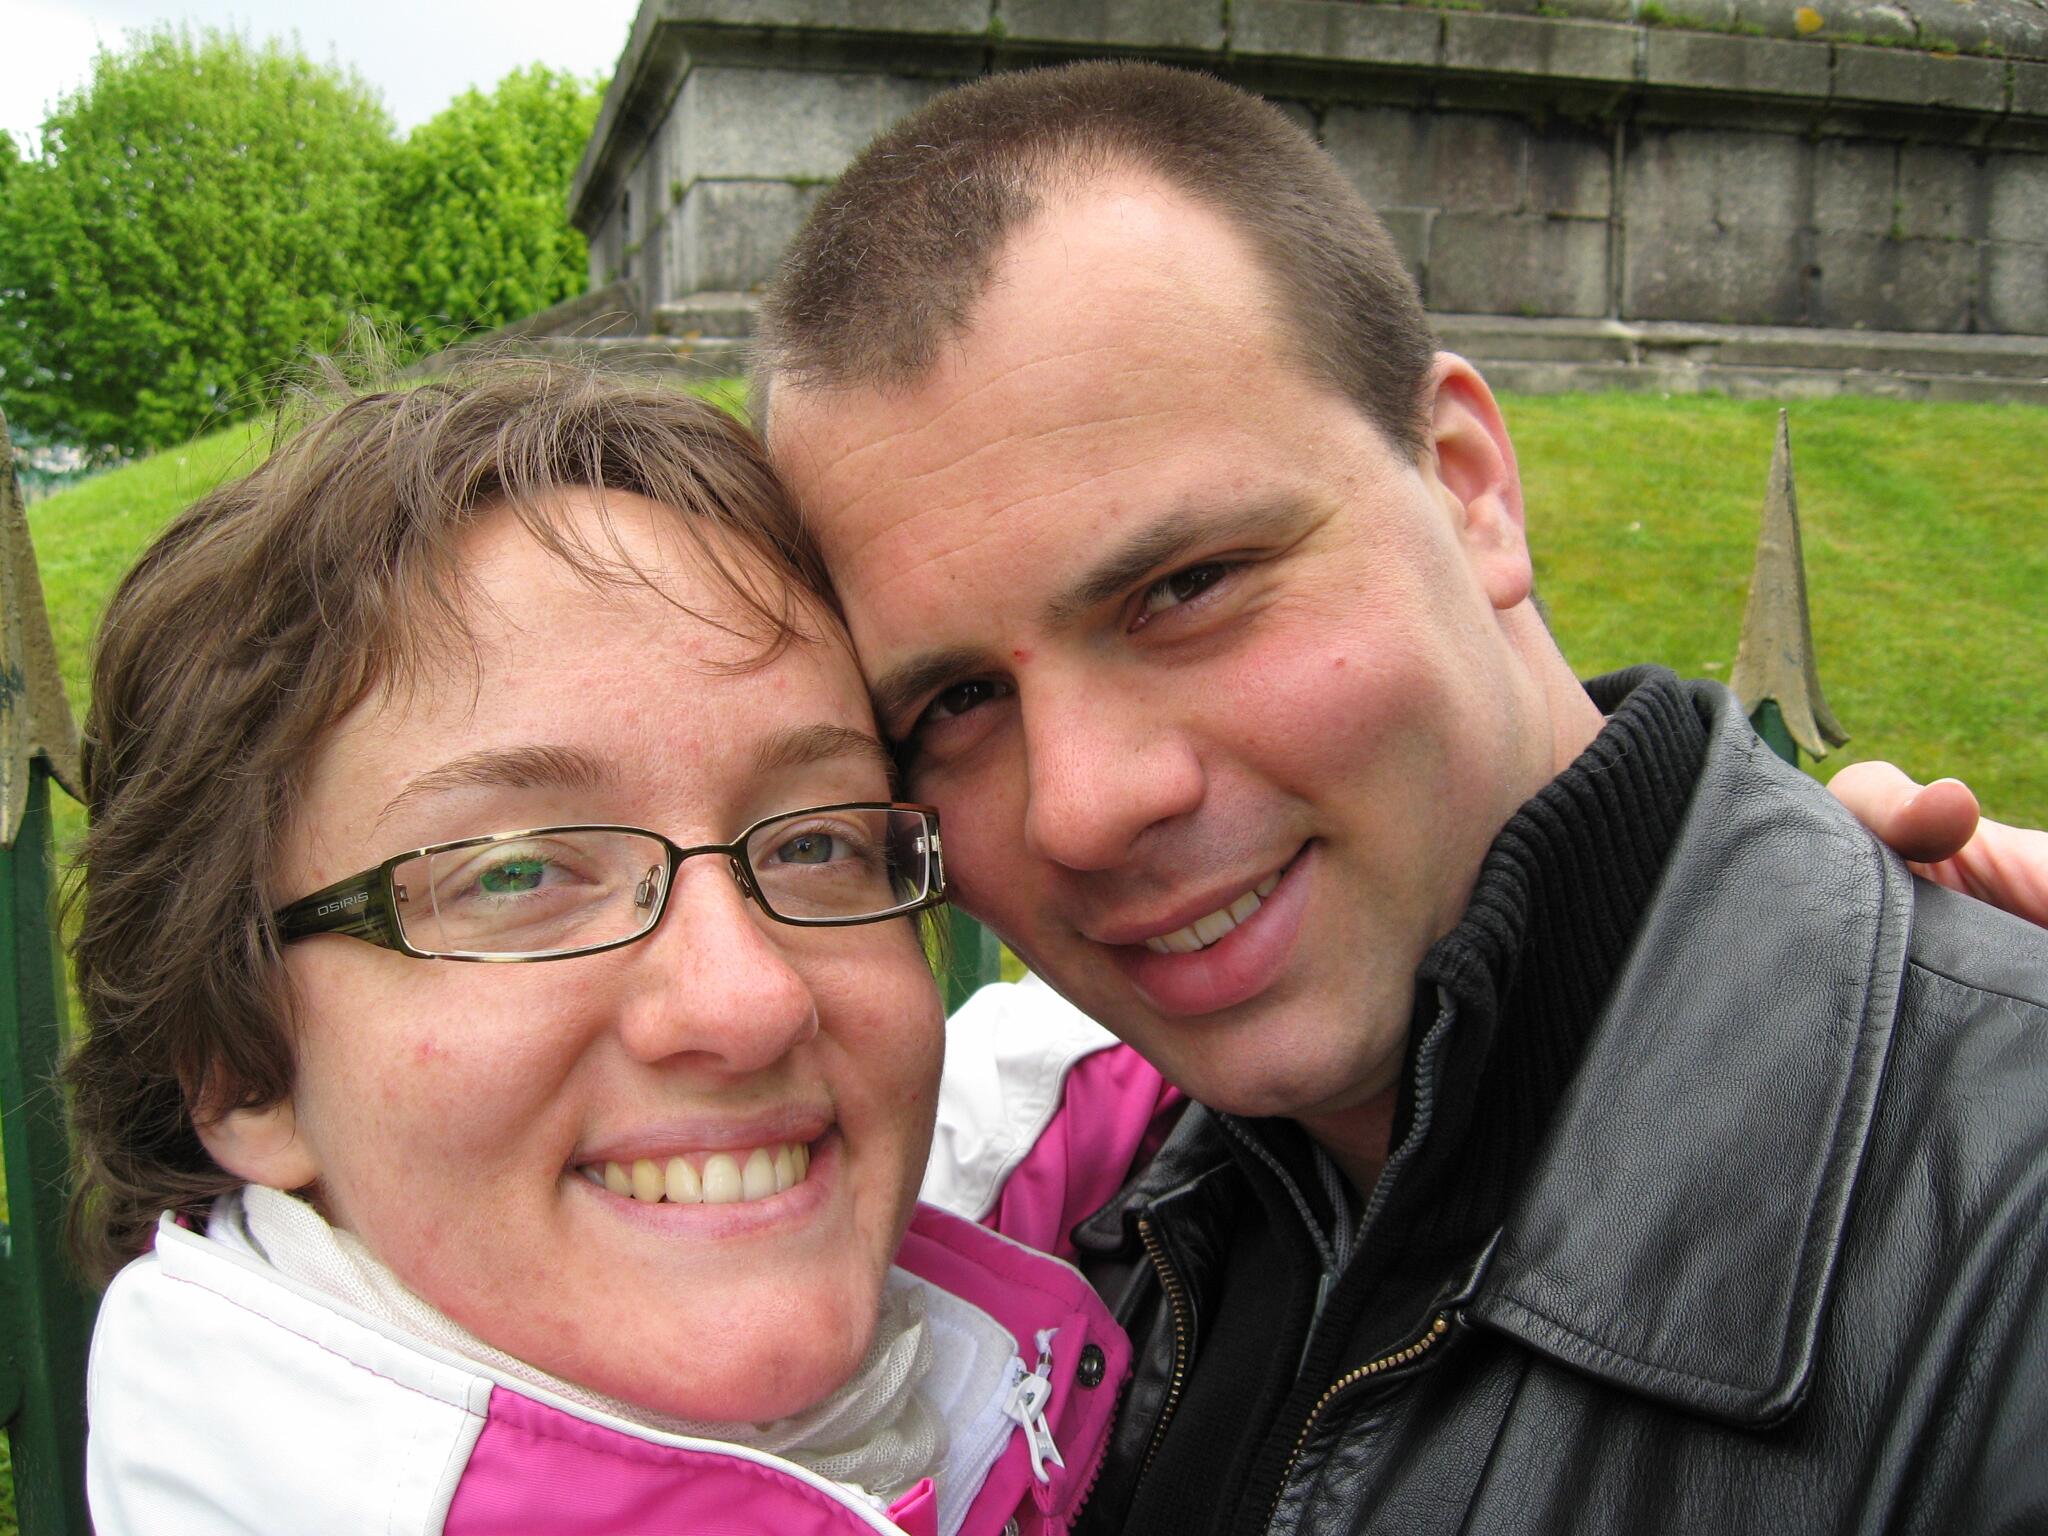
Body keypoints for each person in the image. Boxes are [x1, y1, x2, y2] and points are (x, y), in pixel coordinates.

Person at [755, 61, 2048, 1534]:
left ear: (1466, 483)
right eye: (954, 703)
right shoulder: (1060, 1257)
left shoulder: (2001, 1234)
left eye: (1186, 586)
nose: (1084, 809)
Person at [69, 366, 1135, 1536]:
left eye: (813, 843)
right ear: (243, 1070)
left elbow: (1022, 1108)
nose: (747, 1001)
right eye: (517, 875)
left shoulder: (926, 1334)